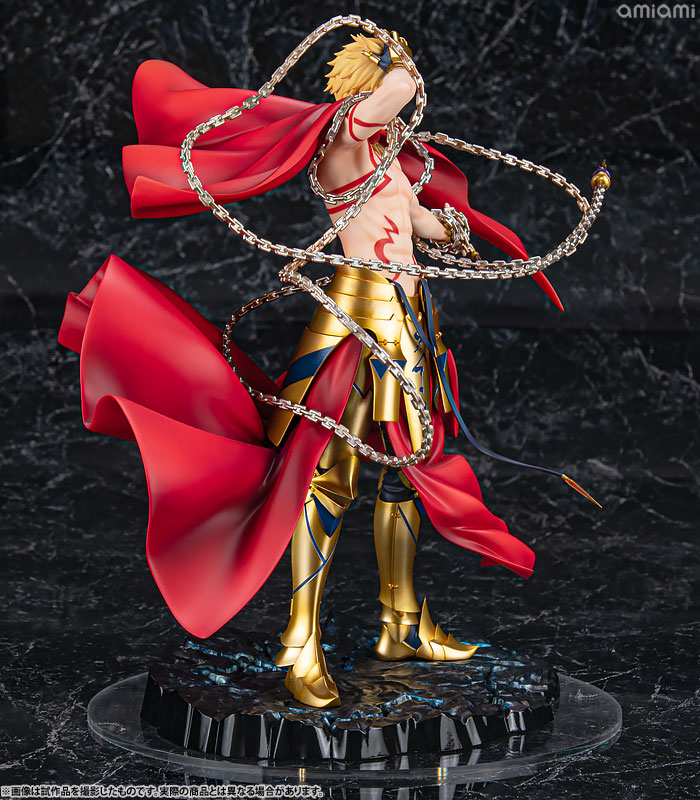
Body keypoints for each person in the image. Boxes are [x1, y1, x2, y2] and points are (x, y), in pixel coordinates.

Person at [59, 30, 562, 711]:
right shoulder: (341, 144)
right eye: (397, 75)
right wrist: (398, 67)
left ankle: (401, 625)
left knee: (407, 472)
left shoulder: (386, 157)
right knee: (326, 479)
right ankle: (300, 640)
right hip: (354, 324)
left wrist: (455, 230)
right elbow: (388, 98)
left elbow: (420, 222)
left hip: (411, 320)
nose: (409, 87)